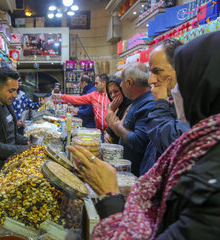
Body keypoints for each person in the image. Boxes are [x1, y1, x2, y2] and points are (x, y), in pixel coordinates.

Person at [68, 32, 220, 239]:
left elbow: (157, 140)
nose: (151, 80)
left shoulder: (210, 166)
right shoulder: (201, 140)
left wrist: (110, 197)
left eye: (185, 77)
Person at [140, 39, 190, 175]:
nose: (151, 80)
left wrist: (161, 104)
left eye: (157, 71)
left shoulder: (195, 105)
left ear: (179, 68)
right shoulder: (173, 101)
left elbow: (173, 144)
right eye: (150, 72)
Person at [106, 63, 154, 176]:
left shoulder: (147, 104)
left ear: (129, 82)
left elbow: (139, 142)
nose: (121, 85)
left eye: (122, 81)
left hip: (136, 173)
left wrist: (119, 128)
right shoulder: (137, 102)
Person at [104, 77, 132, 144]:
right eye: (110, 93)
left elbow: (120, 131)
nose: (113, 96)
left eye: (116, 91)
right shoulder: (117, 107)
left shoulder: (130, 106)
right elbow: (110, 127)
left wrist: (111, 110)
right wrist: (107, 134)